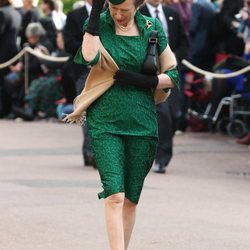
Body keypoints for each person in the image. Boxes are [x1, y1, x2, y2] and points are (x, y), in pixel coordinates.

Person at [63, 0, 179, 248]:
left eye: (124, 10)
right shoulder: (99, 25)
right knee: (115, 195)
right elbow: (89, 56)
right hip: (105, 120)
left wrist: (144, 81)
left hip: (142, 122)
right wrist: (95, 14)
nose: (118, 15)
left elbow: (173, 75)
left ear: (137, 6)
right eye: (114, 9)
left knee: (131, 199)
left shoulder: (151, 27)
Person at [140, 0, 189, 173]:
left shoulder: (172, 13)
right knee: (162, 114)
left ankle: (160, 152)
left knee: (175, 114)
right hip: (148, 73)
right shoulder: (139, 12)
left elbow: (184, 42)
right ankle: (160, 157)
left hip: (170, 71)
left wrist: (173, 58)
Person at [63, 0, 96, 168]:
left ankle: (94, 152)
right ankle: (91, 154)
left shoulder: (110, 13)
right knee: (86, 112)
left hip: (104, 72)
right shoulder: (75, 15)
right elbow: (68, 43)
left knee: (99, 114)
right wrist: (90, 49)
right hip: (82, 71)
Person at [0, 0, 21, 117]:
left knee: (2, 84)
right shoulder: (16, 13)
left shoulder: (2, 13)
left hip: (2, 53)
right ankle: (8, 110)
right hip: (13, 52)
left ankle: (3, 110)